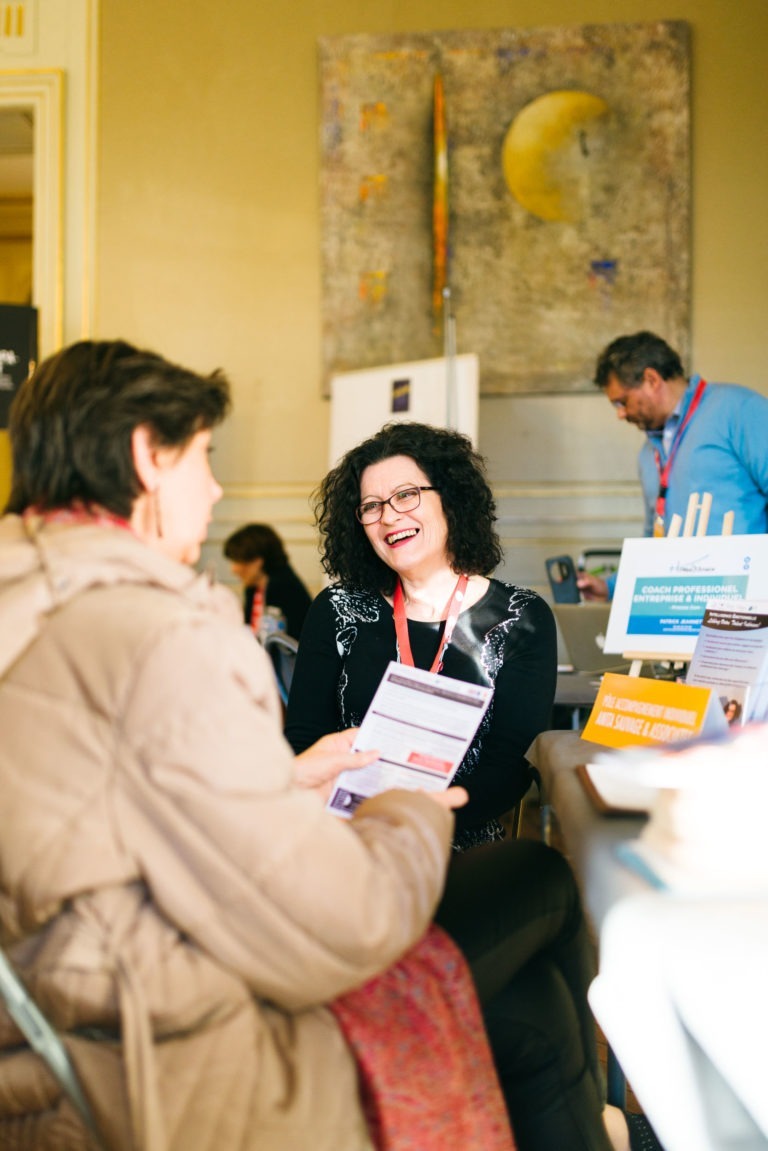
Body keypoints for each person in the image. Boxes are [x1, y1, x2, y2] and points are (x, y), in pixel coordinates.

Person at [0, 340, 658, 1151]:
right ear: (146, 456)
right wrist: (411, 814)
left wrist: (282, 778)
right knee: (541, 879)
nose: (214, 490)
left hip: (66, 1029)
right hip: (181, 1043)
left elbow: (142, 811)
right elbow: (334, 925)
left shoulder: (31, 603)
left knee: (531, 1009)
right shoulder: (164, 631)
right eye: (203, 458)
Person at [284, 420, 558, 852]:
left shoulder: (521, 617)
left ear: (449, 498)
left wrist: (424, 821)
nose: (389, 516)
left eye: (406, 495)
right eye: (371, 506)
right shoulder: (336, 610)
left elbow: (509, 767)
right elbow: (304, 741)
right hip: (343, 836)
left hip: (458, 842)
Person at [577, 331, 768, 602]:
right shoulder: (648, 454)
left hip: (745, 608)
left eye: (622, 401)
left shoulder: (739, 409)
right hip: (677, 612)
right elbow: (654, 538)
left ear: (652, 380)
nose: (620, 414)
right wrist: (610, 587)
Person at [223, 521, 312, 639]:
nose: (233, 569)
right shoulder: (254, 589)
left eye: (238, 561)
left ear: (257, 561)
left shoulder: (287, 590)